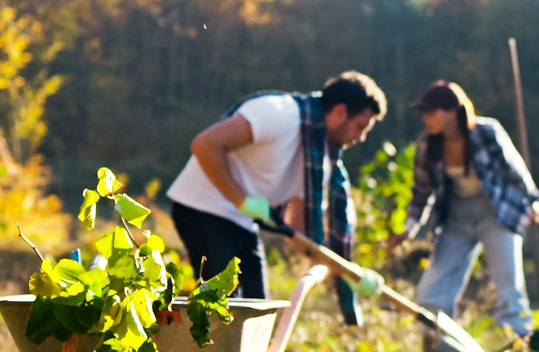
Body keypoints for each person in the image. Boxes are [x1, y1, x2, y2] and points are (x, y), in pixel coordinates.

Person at [166, 71, 387, 317]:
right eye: (360, 127)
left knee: (258, 311)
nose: (361, 137)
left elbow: (298, 232)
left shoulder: (318, 161)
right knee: (227, 309)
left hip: (243, 221)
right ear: (340, 112)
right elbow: (205, 145)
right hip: (202, 206)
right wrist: (242, 200)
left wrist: (348, 274)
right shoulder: (279, 114)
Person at [384, 80, 539, 342]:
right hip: (456, 217)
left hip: (495, 213)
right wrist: (409, 228)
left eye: (432, 113)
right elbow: (422, 191)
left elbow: (514, 169)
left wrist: (532, 200)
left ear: (452, 111)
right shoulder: (427, 145)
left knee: (509, 290)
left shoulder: (486, 132)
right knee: (431, 291)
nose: (426, 120)